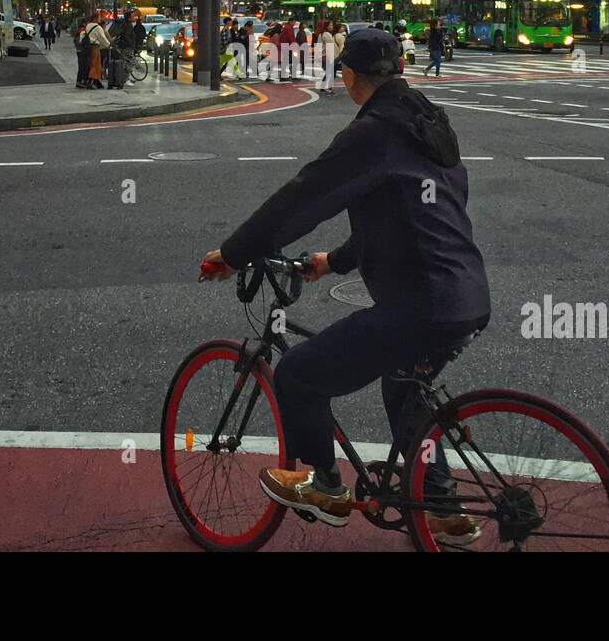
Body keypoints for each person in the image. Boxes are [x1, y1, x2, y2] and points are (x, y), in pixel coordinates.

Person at [200, 28, 491, 542]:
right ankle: (443, 505)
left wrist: (233, 253)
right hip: (466, 294)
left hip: (419, 304)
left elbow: (303, 199)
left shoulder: (373, 131)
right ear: (399, 69)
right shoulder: (427, 120)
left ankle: (325, 484)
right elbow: (408, 218)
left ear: (350, 77)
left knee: (298, 373)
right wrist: (330, 263)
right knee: (405, 389)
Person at [81, 10, 110, 90]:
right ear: (95, 19)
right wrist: (108, 45)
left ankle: (97, 82)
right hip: (95, 47)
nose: (100, 19)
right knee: (95, 64)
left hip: (88, 47)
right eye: (99, 17)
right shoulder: (97, 27)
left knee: (92, 63)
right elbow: (102, 38)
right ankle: (90, 81)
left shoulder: (88, 25)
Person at [317, 21, 337, 94]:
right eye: (330, 25)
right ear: (326, 26)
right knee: (331, 73)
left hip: (322, 56)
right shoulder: (327, 35)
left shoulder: (321, 34)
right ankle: (328, 88)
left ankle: (323, 87)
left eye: (332, 25)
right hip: (327, 56)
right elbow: (330, 47)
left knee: (328, 72)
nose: (332, 27)